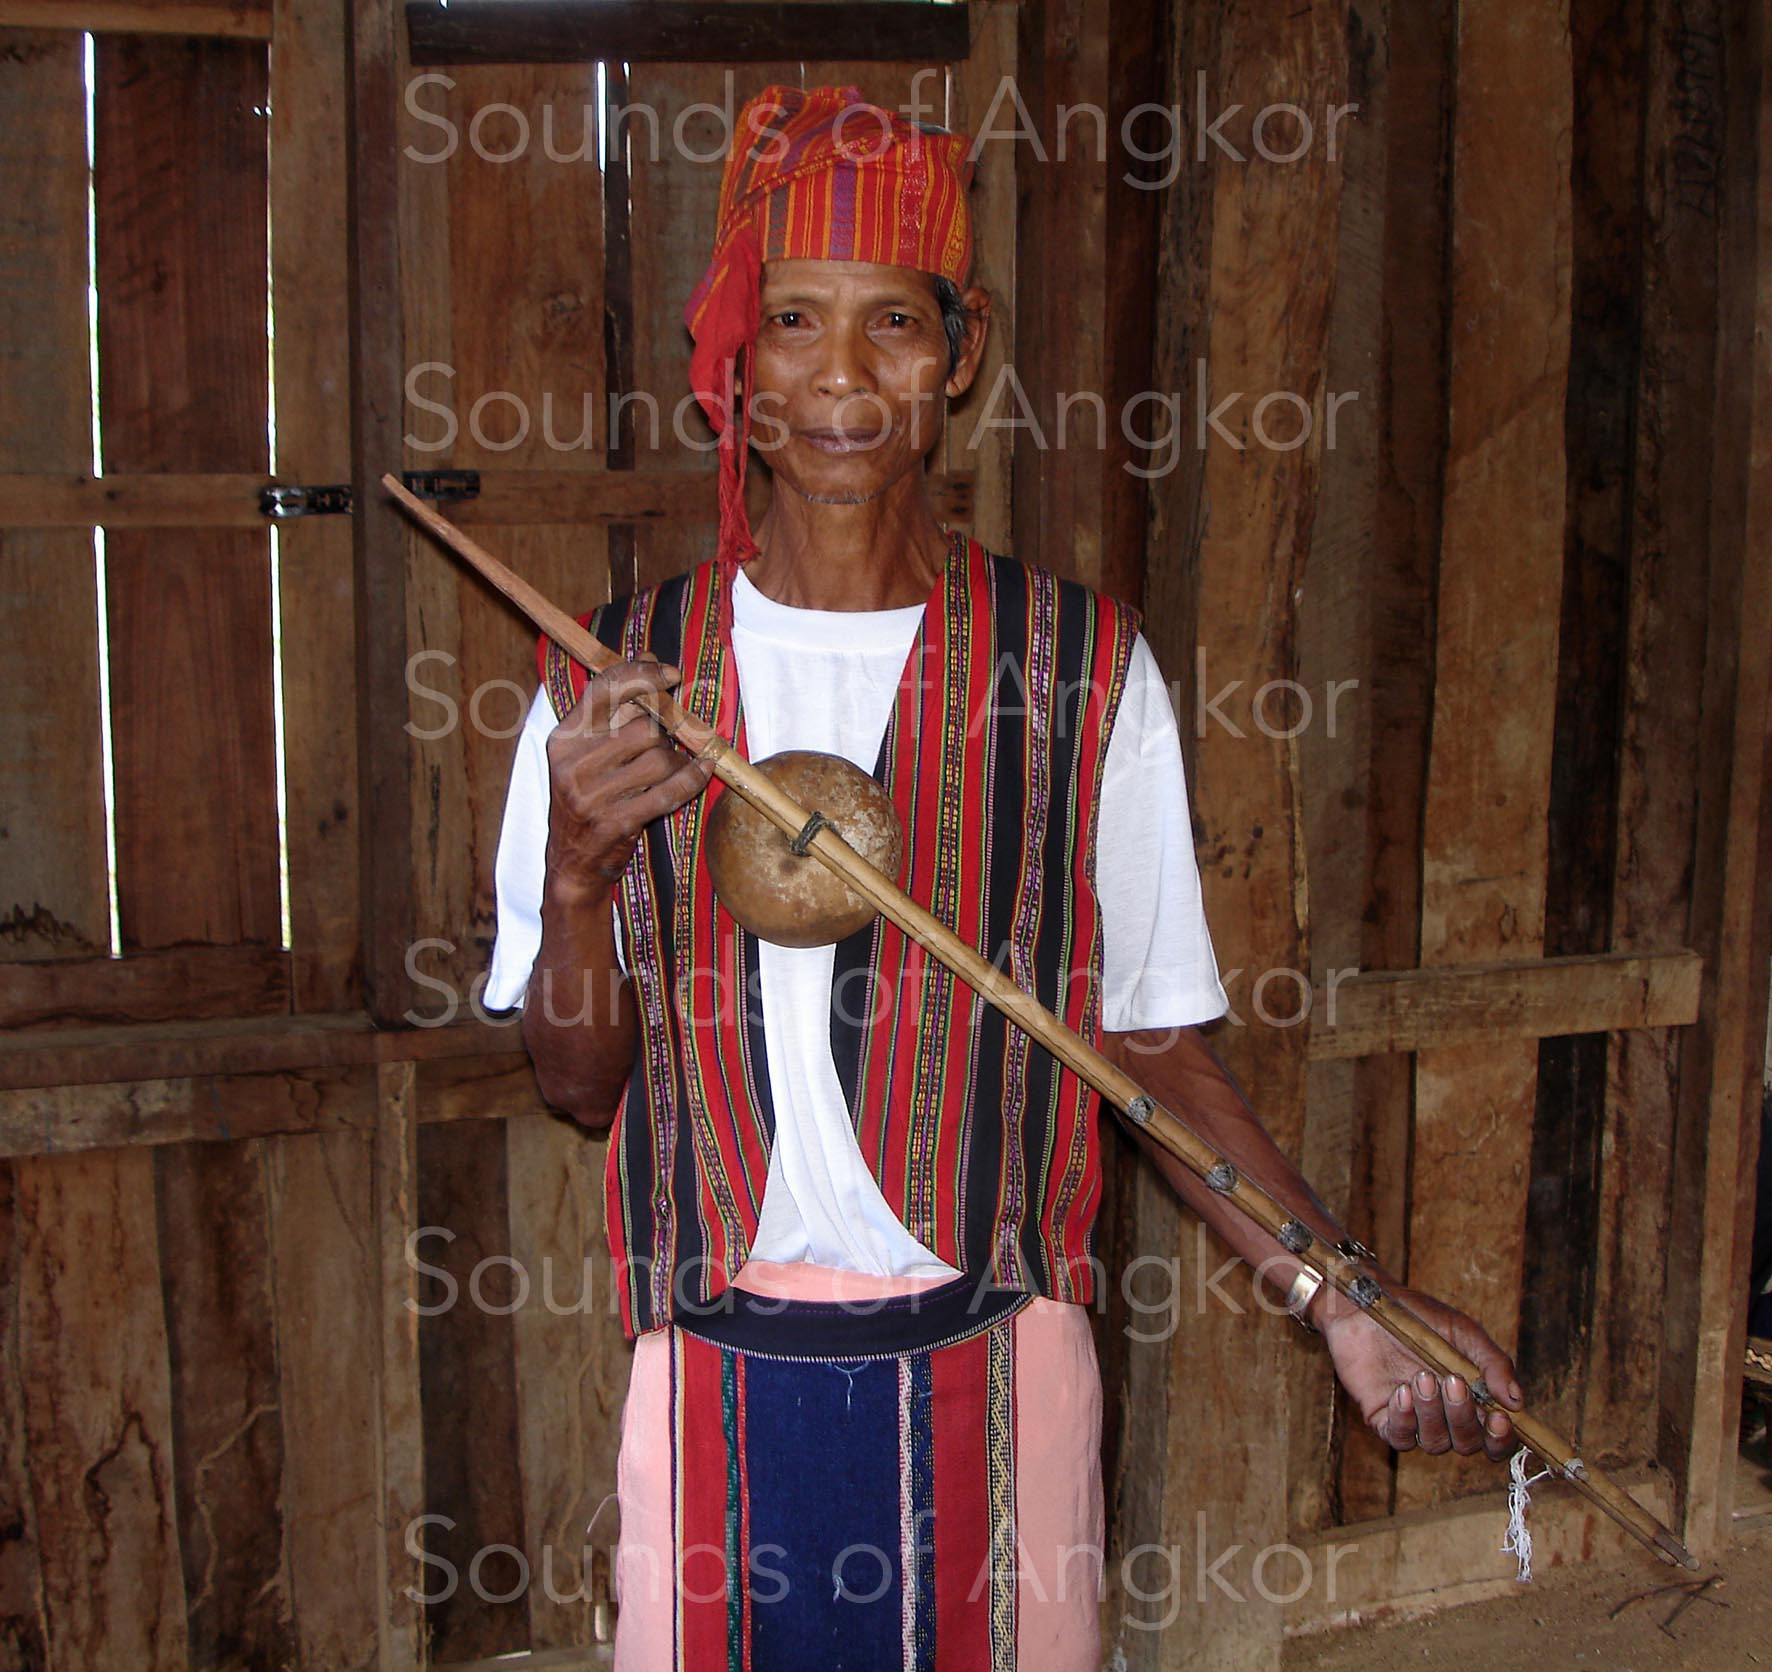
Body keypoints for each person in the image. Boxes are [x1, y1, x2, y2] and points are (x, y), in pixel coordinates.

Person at [484, 83, 1524, 1671]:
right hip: (709, 1375)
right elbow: (573, 1085)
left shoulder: (1084, 669)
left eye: (894, 322)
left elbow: (1156, 1047)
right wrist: (575, 878)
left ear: (961, 354)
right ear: (738, 367)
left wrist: (1344, 1299)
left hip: (1007, 1365)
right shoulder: (613, 687)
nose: (843, 379)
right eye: (794, 324)